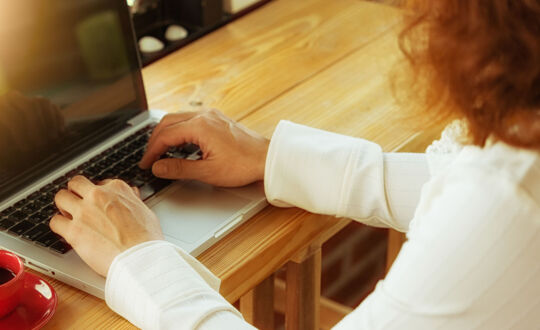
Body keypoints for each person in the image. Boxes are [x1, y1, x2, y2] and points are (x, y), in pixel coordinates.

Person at [48, 1, 540, 329]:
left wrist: (139, 260)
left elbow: (492, 201)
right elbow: (457, 182)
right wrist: (271, 158)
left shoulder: (507, 208)